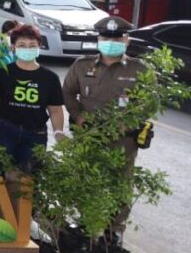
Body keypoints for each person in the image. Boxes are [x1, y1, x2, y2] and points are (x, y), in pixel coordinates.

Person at [62, 16, 151, 235]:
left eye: (117, 38)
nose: (111, 42)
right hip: (89, 134)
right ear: (99, 39)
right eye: (105, 37)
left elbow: (150, 102)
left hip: (123, 139)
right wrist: (77, 115)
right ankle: (87, 225)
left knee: (120, 185)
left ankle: (114, 232)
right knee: (87, 180)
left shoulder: (139, 69)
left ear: (127, 40)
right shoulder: (82, 65)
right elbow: (67, 92)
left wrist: (129, 122)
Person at [0, 24, 64, 172]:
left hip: (35, 134)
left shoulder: (50, 78)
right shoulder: (2, 73)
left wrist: (58, 132)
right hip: (4, 130)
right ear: (13, 47)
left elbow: (55, 110)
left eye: (32, 45)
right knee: (0, 173)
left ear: (39, 47)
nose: (28, 49)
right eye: (22, 45)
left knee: (29, 180)